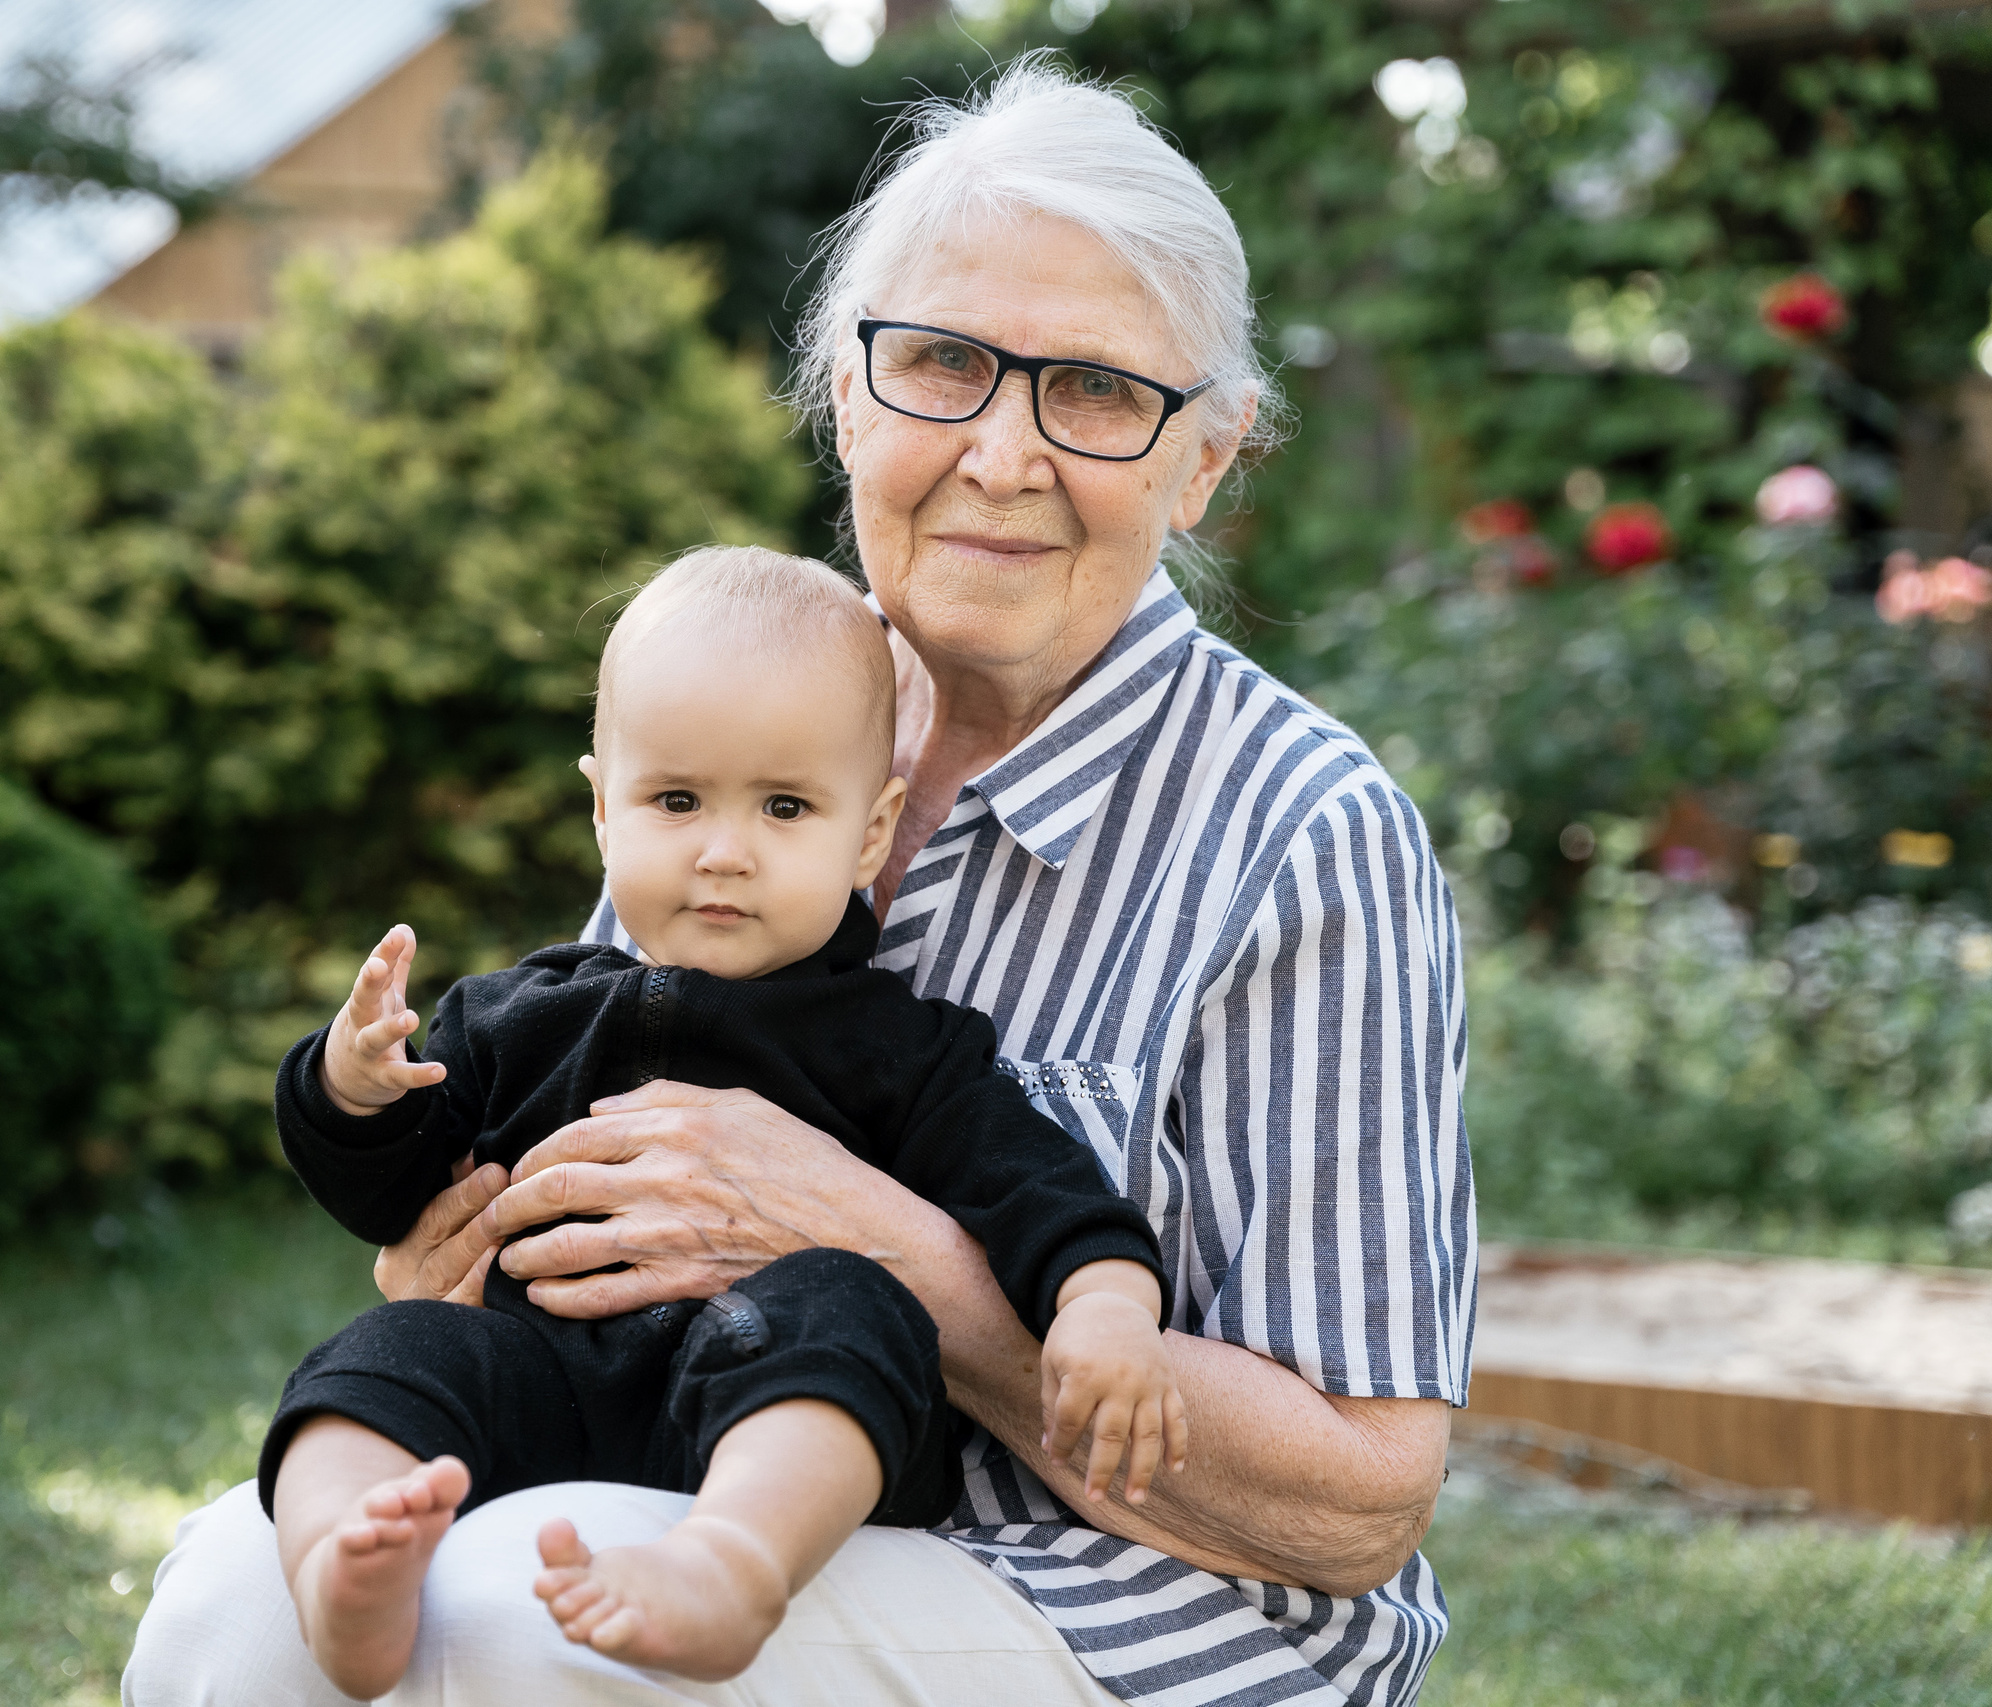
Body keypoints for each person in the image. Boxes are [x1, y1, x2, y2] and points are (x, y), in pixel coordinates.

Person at [126, 55, 1474, 1707]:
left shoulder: (1303, 833)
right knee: (234, 1588)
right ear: (849, 394)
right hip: (675, 1457)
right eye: (942, 363)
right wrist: (456, 1251)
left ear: (1206, 461)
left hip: (1140, 1621)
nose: (999, 452)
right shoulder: (746, 715)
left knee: (494, 1619)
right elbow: (547, 1152)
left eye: (1101, 393)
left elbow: (1362, 1496)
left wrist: (896, 1254)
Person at [263, 547, 1181, 1697]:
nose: (723, 851)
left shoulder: (897, 1044)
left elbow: (1035, 1187)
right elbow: (389, 1196)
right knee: (382, 1353)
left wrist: (1105, 1305)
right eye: (676, 800)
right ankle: (339, 1565)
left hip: (775, 1399)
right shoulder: (515, 1016)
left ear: (869, 830)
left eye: (785, 806)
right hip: (539, 1380)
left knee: (848, 1304)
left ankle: (730, 1566)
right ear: (603, 808)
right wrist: (350, 1088)